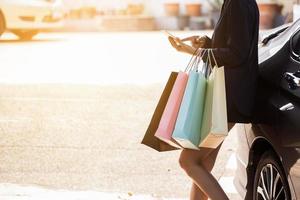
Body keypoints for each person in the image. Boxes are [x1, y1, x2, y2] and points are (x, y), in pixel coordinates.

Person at [168, 0, 259, 199]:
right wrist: (207, 42)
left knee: (188, 162)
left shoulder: (238, 3)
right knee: (203, 163)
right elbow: (234, 45)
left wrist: (193, 51)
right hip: (229, 97)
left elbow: (237, 54)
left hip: (228, 99)